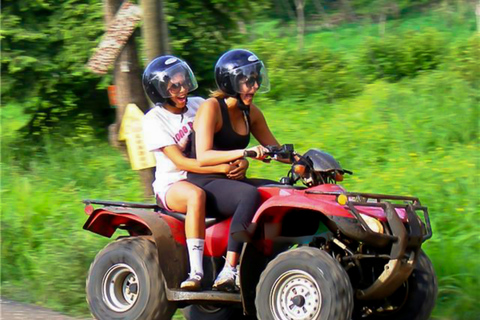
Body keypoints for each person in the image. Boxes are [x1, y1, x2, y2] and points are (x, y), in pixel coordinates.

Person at [142, 55, 245, 291]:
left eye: (184, 83)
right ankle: (196, 272)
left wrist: (241, 162)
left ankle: (235, 266)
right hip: (174, 183)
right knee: (195, 196)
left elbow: (226, 139)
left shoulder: (200, 104)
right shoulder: (153, 120)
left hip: (207, 177)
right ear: (159, 91)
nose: (182, 90)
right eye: (174, 86)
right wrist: (221, 168)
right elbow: (181, 162)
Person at [187, 49, 286, 292]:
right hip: (205, 181)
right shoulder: (211, 107)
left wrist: (305, 160)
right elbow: (203, 156)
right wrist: (246, 153)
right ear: (229, 81)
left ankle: (268, 259)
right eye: (247, 81)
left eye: (256, 80)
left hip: (231, 179)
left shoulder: (250, 112)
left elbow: (275, 149)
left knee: (280, 191)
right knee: (249, 195)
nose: (253, 87)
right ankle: (229, 270)